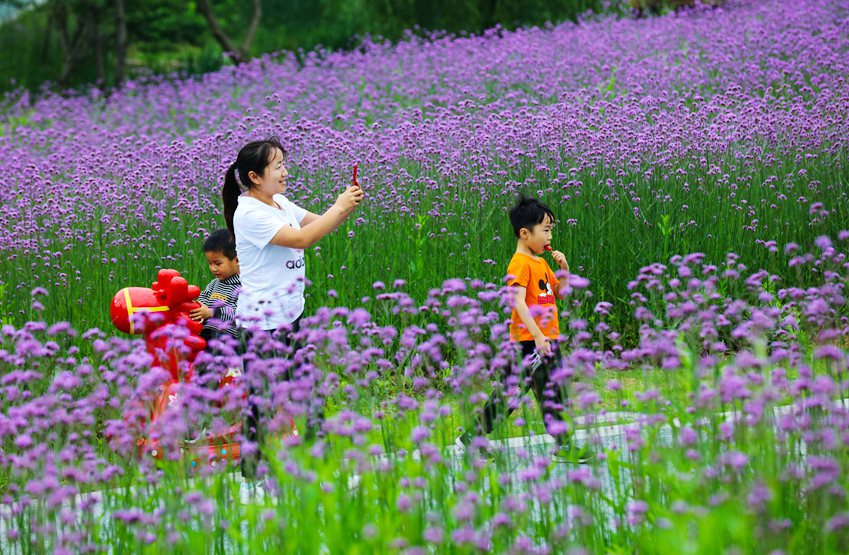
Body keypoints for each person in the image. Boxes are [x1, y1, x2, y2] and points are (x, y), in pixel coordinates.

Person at [221, 137, 364, 493]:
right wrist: (338, 206)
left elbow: (317, 225)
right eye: (278, 166)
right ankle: (261, 469)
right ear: (255, 177)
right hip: (263, 323)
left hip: (290, 315)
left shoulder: (279, 202)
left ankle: (307, 463)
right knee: (268, 400)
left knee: (297, 393)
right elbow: (301, 240)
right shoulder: (249, 213)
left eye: (285, 163)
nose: (286, 172)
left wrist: (347, 205)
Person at [456, 195, 591, 463]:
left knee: (555, 393)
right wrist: (539, 337)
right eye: (546, 230)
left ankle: (564, 445)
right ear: (525, 233)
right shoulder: (519, 264)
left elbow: (560, 293)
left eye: (551, 229)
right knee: (510, 395)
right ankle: (472, 439)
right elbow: (517, 302)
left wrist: (564, 269)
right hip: (529, 343)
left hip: (546, 341)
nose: (550, 235)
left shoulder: (541, 263)